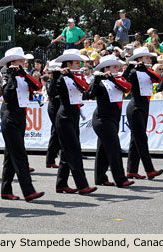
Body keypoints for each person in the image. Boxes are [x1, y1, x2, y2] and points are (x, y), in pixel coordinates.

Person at [0, 47, 45, 202]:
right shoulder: (5, 77)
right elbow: (7, 93)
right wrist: (11, 75)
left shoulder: (24, 76)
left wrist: (23, 74)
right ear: (12, 63)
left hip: (21, 116)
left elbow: (37, 86)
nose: (24, 62)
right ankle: (28, 191)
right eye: (20, 60)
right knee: (19, 154)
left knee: (10, 156)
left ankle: (6, 190)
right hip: (9, 116)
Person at [51, 49, 97, 195]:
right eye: (77, 63)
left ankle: (61, 184)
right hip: (64, 116)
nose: (80, 65)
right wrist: (56, 75)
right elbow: (52, 93)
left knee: (67, 151)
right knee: (74, 150)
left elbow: (85, 88)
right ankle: (82, 185)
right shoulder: (60, 77)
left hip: (74, 115)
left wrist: (71, 74)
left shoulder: (77, 76)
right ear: (68, 63)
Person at [84, 55, 134, 187]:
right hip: (102, 119)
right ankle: (120, 179)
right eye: (114, 67)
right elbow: (89, 95)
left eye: (118, 66)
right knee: (114, 148)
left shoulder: (119, 79)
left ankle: (100, 178)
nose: (118, 69)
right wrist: (96, 80)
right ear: (106, 68)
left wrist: (113, 78)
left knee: (102, 149)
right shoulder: (99, 82)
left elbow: (128, 88)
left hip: (113, 119)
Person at [123, 47, 163, 180]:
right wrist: (130, 67)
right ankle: (149, 169)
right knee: (141, 138)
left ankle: (131, 170)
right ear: (139, 59)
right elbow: (125, 82)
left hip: (144, 106)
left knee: (135, 139)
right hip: (135, 107)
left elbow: (158, 79)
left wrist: (145, 69)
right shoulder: (133, 71)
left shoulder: (148, 71)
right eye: (146, 58)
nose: (149, 59)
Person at [45, 59, 62, 168]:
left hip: (60, 106)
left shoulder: (61, 80)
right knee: (56, 131)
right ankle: (50, 158)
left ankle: (51, 159)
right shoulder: (49, 81)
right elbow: (51, 94)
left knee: (56, 132)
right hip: (53, 107)